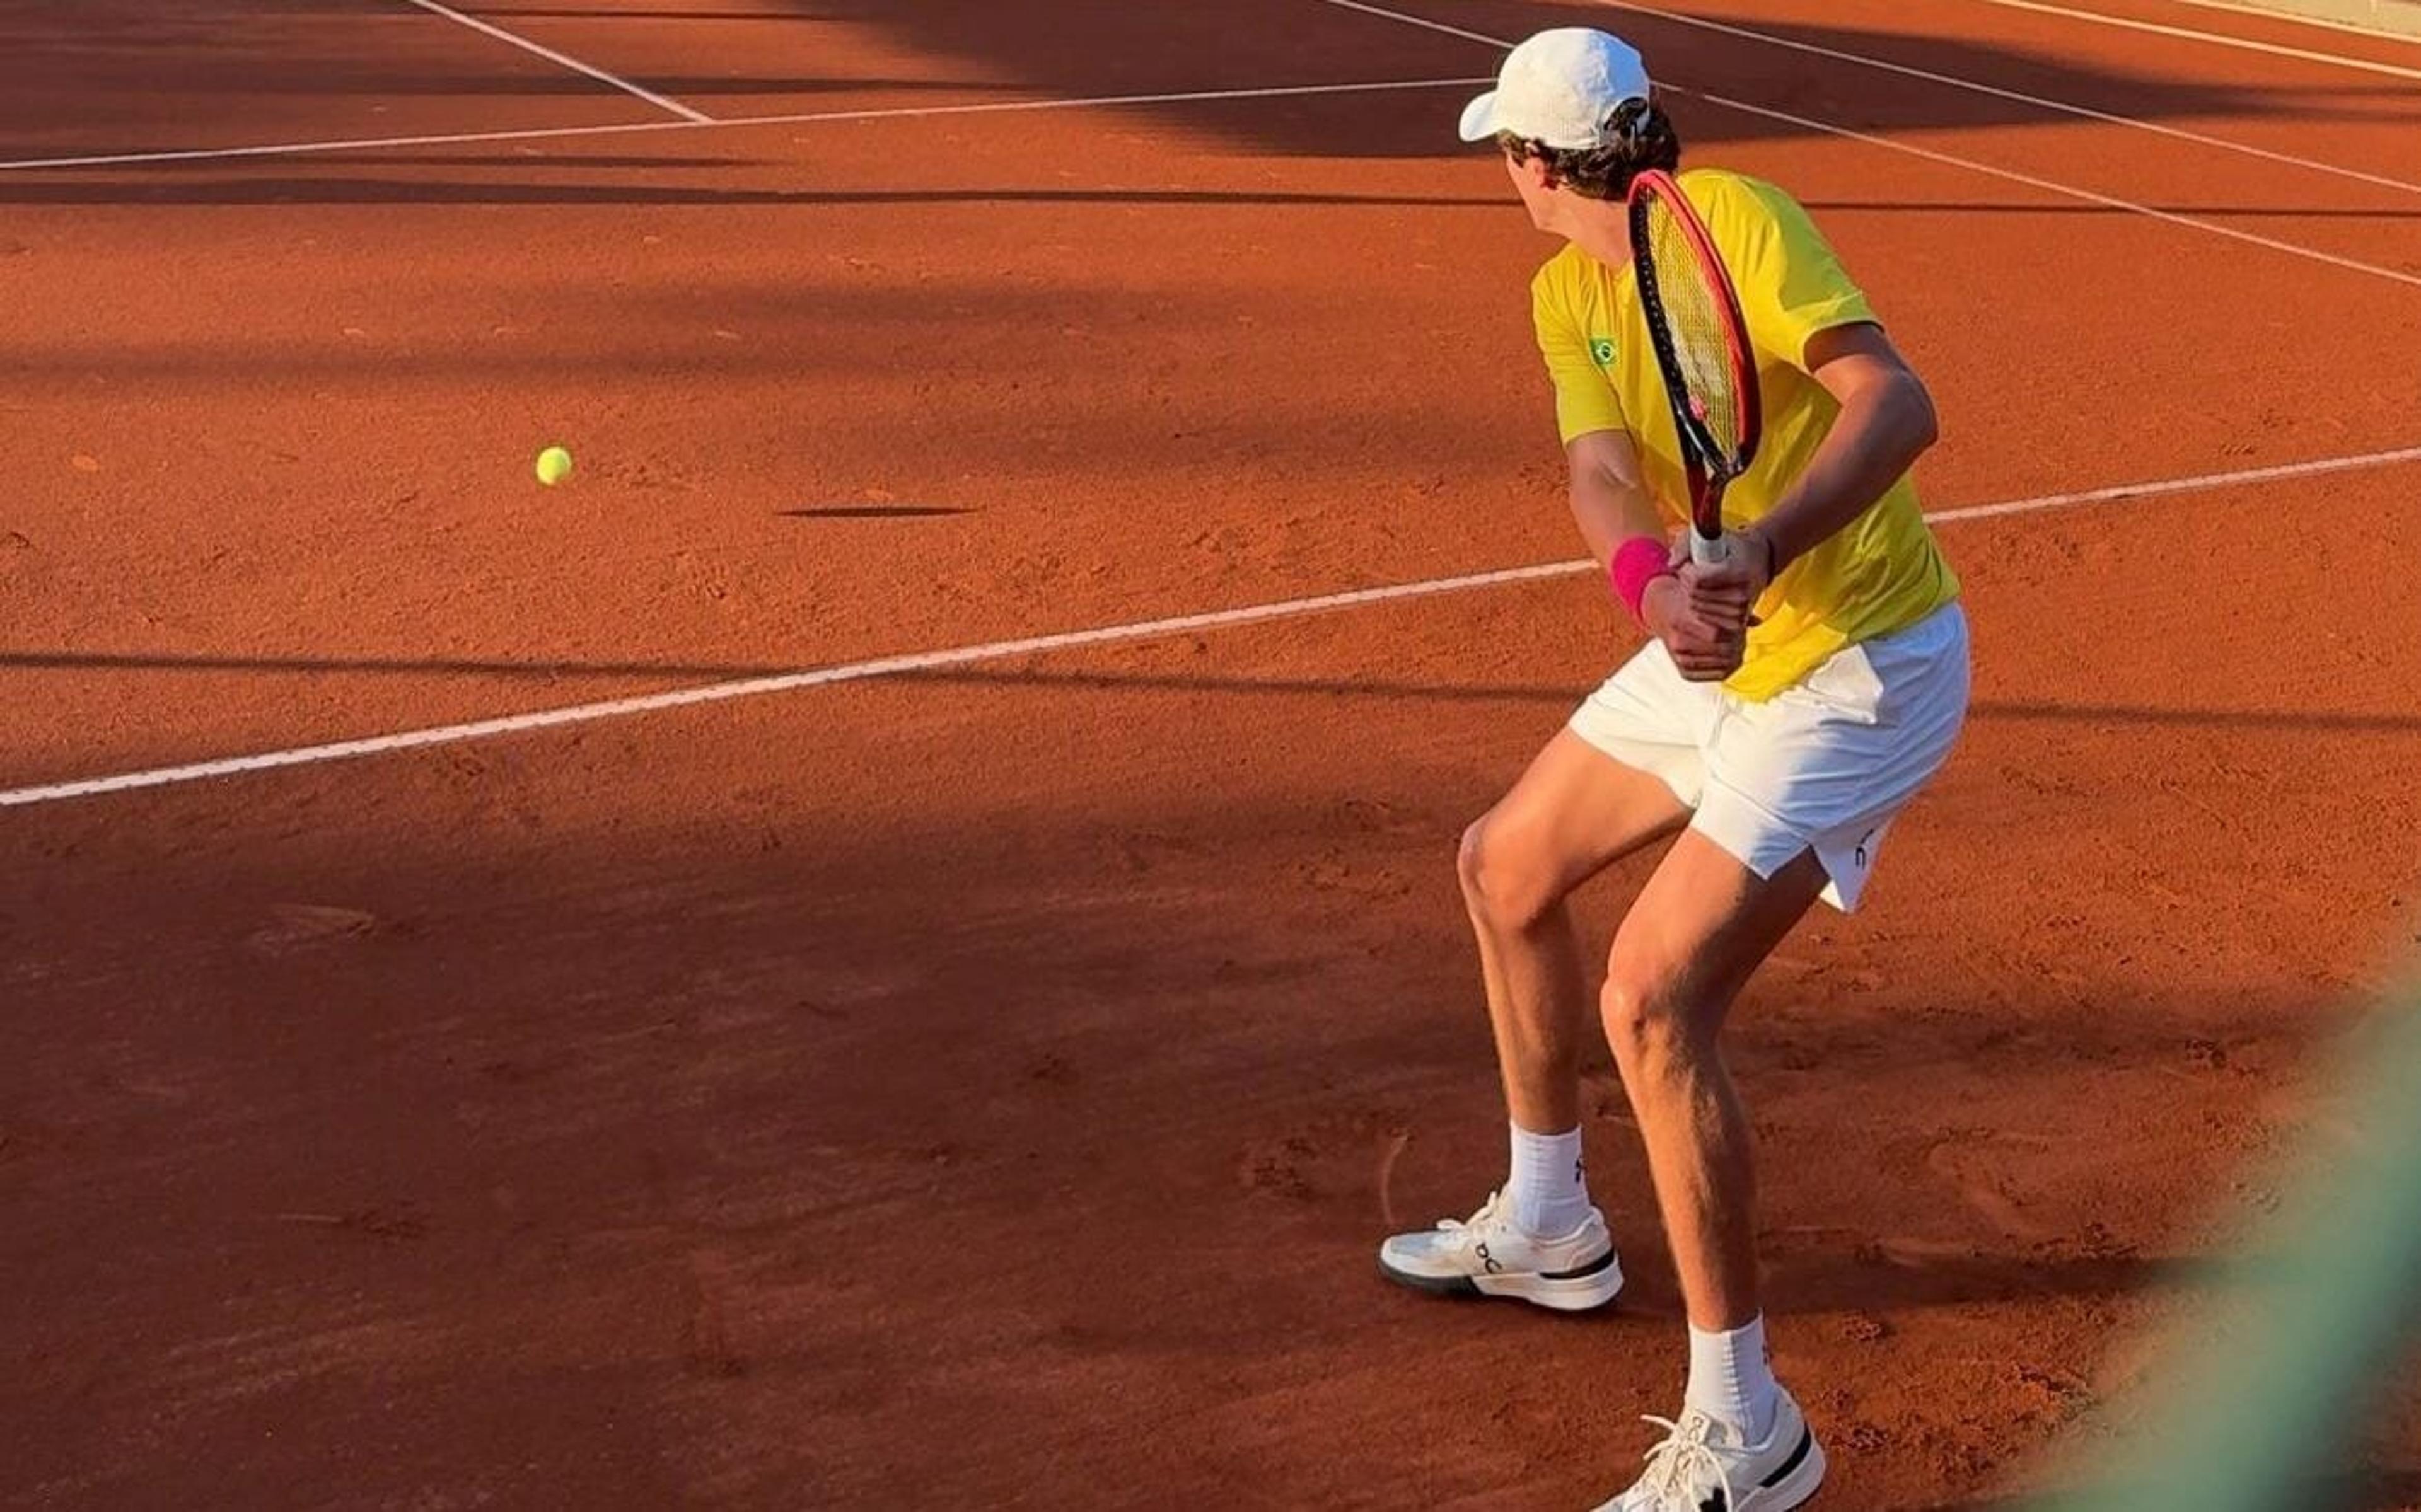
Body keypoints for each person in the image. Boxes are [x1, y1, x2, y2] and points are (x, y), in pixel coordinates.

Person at [1375, 27, 1970, 1512]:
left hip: (1856, 667)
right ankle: (1551, 1222)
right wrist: (1653, 584)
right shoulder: (1566, 290)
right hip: (1721, 653)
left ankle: (1746, 1428)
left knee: (1650, 1000)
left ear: (1528, 159)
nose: (1500, 175)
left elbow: (1896, 402)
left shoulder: (1743, 224)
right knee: (1503, 866)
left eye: (1500, 154)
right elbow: (1602, 472)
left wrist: (1766, 546)